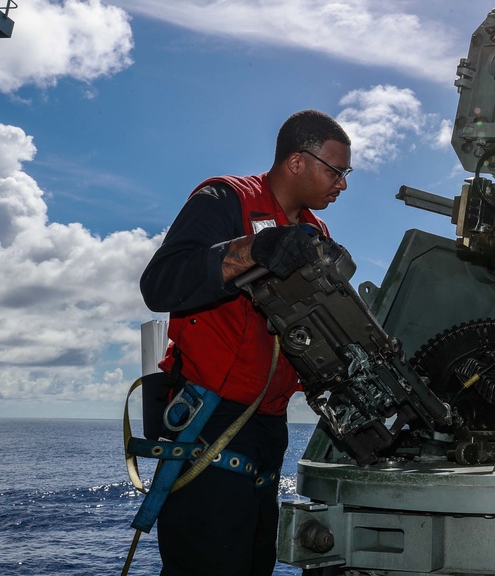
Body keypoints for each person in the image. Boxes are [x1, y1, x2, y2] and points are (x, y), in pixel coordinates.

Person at [139, 109, 352, 576]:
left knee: (254, 563)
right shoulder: (224, 199)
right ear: (297, 161)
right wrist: (252, 251)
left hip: (268, 431)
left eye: (345, 174)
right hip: (209, 422)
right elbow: (160, 284)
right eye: (335, 171)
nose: (341, 184)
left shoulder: (316, 234)